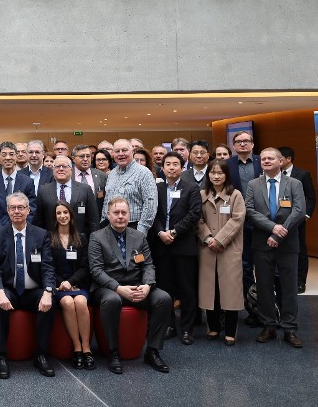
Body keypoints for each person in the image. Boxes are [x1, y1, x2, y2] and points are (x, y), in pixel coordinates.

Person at [88, 198, 172, 374]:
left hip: (137, 286)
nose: (120, 217)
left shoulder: (139, 236)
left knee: (163, 299)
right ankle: (113, 352)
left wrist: (147, 286)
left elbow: (148, 265)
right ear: (108, 215)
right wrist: (118, 288)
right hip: (109, 288)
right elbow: (96, 271)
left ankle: (152, 351)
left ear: (129, 215)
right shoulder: (97, 237)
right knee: (111, 301)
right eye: (116, 213)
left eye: (124, 213)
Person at [0, 192, 56, 379]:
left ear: (28, 210)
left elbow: (48, 267)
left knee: (49, 303)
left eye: (20, 208)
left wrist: (49, 291)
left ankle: (41, 355)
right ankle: (1, 356)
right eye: (13, 208)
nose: (17, 211)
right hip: (8, 289)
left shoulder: (41, 235)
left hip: (33, 290)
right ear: (8, 211)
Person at [244, 148, 306, 348]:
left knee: (288, 287)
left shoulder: (294, 183)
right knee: (264, 286)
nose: (266, 161)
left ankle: (290, 328)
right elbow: (250, 210)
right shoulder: (253, 184)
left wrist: (279, 233)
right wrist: (272, 227)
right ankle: (269, 325)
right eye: (263, 159)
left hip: (287, 244)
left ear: (281, 161)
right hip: (262, 243)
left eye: (270, 158)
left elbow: (299, 211)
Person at [149, 151, 202, 345]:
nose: (171, 167)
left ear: (182, 167)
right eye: (168, 164)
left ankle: (187, 328)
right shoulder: (157, 189)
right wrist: (161, 232)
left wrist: (174, 232)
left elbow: (194, 214)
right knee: (165, 289)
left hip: (183, 245)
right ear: (162, 168)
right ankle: (169, 325)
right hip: (161, 246)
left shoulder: (192, 188)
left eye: (175, 164)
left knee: (187, 288)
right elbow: (152, 214)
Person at [197, 159, 245, 346]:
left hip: (229, 249)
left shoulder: (235, 195)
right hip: (207, 249)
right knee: (211, 290)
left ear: (227, 175)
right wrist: (208, 238)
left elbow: (237, 220)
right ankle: (213, 327)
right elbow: (197, 220)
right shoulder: (202, 194)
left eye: (220, 173)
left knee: (230, 291)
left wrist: (220, 240)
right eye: (212, 173)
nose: (216, 176)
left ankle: (231, 331)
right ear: (208, 175)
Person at [49, 201, 93, 369]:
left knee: (80, 302)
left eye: (65, 213)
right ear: (54, 217)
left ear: (71, 215)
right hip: (58, 285)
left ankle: (87, 349)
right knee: (68, 302)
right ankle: (77, 348)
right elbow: (48, 266)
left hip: (78, 283)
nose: (62, 216)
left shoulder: (81, 237)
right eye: (59, 213)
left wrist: (71, 282)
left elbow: (85, 266)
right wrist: (62, 283)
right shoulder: (48, 237)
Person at [226, 130, 262, 323]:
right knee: (245, 267)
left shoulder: (262, 161)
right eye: (238, 142)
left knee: (264, 267)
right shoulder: (227, 165)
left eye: (246, 141)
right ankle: (252, 310)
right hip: (238, 221)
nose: (242, 144)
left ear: (252, 144)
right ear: (234, 145)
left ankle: (269, 309)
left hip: (262, 221)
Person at [279, 146, 317, 293]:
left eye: (279, 158)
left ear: (288, 159)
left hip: (297, 219)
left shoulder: (302, 174)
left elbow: (311, 197)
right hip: (278, 218)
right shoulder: (272, 174)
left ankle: (300, 281)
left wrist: (306, 215)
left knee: (300, 249)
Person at [34, 155, 99, 239]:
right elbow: (38, 220)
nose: (61, 169)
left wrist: (93, 243)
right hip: (51, 241)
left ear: (71, 170)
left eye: (64, 166)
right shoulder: (43, 190)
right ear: (53, 170)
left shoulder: (85, 189)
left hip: (79, 241)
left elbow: (93, 219)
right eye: (57, 166)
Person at [103, 139, 158, 234]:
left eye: (124, 150)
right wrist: (103, 222)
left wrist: (141, 230)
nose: (121, 154)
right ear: (113, 154)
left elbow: (150, 203)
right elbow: (107, 201)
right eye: (117, 151)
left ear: (132, 152)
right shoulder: (111, 174)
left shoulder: (144, 173)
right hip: (111, 228)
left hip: (134, 228)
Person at [0, 141, 37, 231]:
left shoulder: (27, 181)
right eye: (4, 155)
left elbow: (31, 210)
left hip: (22, 230)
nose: (8, 158)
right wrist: (0, 231)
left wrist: (21, 228)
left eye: (11, 154)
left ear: (16, 157)